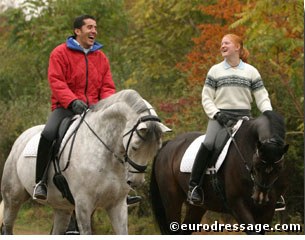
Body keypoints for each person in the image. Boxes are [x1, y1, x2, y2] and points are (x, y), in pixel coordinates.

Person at [33, 14, 141, 206]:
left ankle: (123, 188)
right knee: (48, 134)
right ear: (77, 31)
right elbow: (56, 82)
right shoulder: (59, 53)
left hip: (95, 110)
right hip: (65, 108)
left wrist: (106, 105)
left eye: (95, 27)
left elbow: (108, 86)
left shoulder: (101, 57)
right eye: (89, 27)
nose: (94, 31)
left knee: (119, 138)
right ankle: (40, 182)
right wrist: (72, 101)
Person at [187, 33, 274, 206]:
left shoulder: (251, 71)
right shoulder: (215, 70)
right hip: (220, 117)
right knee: (209, 143)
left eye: (226, 43)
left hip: (244, 117)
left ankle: (272, 192)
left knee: (266, 146)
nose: (222, 46)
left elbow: (262, 96)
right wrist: (216, 113)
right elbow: (206, 97)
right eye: (221, 44)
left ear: (237, 47)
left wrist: (268, 114)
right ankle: (194, 186)